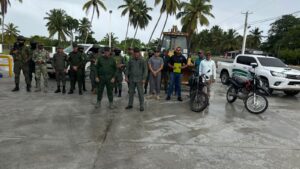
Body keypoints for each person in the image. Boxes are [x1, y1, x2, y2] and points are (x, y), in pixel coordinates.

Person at [125, 48, 147, 112]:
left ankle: (142, 105)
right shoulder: (131, 60)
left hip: (139, 79)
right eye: (135, 53)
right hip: (131, 79)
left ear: (139, 53)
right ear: (133, 53)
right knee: (131, 92)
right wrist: (126, 76)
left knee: (140, 93)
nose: (136, 54)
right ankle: (130, 104)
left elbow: (145, 70)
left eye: (137, 53)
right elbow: (127, 68)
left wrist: (144, 78)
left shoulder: (143, 60)